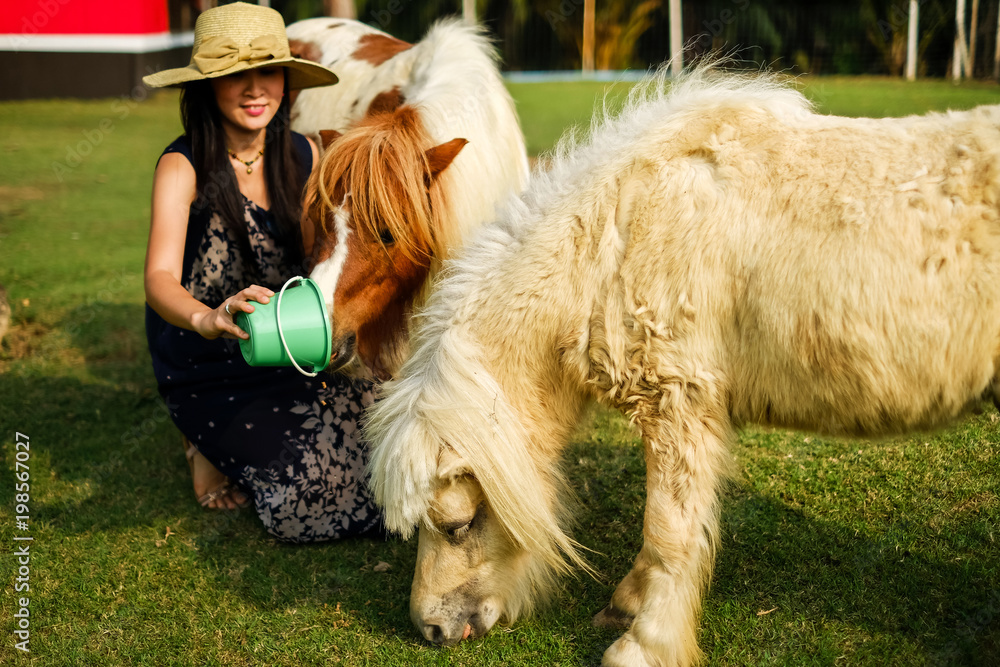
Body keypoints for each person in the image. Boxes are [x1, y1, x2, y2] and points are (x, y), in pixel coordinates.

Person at [142, 2, 379, 541]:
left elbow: (325, 257)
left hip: (289, 343)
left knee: (383, 451)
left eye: (267, 71)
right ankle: (199, 441)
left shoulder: (307, 153)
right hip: (208, 357)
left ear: (286, 80)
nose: (255, 89)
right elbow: (158, 278)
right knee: (303, 502)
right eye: (235, 75)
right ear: (207, 86)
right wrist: (207, 319)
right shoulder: (182, 165)